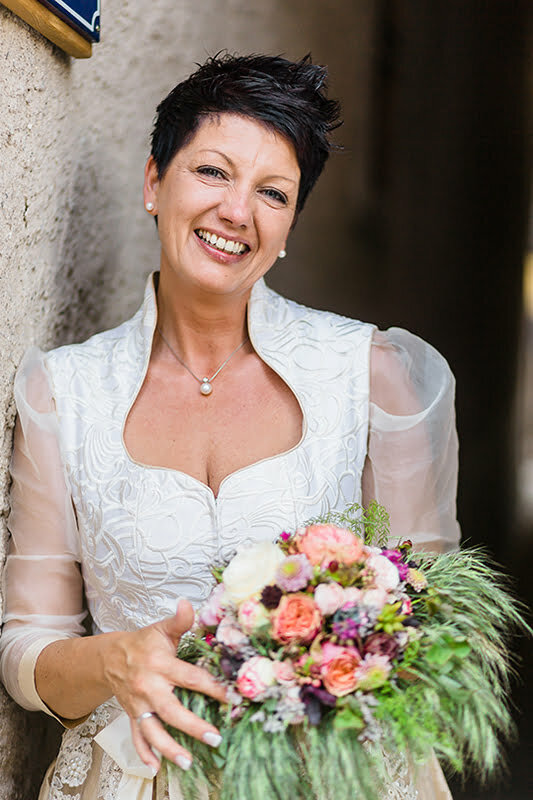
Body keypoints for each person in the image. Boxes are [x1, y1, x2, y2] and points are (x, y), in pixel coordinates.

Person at [0, 54, 460, 800]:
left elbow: (436, 618)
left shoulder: (367, 373)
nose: (236, 211)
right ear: (155, 183)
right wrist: (114, 660)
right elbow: (26, 645)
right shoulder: (64, 394)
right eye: (211, 172)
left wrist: (325, 658)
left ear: (287, 228)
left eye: (271, 193)